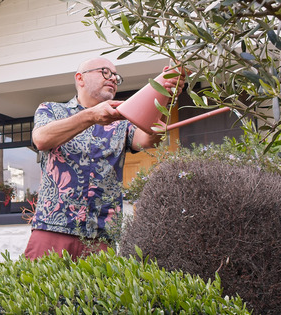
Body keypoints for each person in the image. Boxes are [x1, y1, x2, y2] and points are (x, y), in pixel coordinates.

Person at [24, 57, 184, 260]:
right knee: (41, 291)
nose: (113, 78)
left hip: (101, 235)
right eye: (105, 72)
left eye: (116, 76)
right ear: (80, 78)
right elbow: (41, 139)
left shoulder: (122, 122)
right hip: (53, 228)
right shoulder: (51, 110)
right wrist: (91, 116)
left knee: (99, 293)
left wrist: (165, 97)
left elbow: (148, 139)